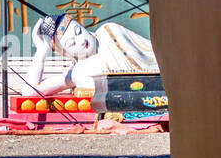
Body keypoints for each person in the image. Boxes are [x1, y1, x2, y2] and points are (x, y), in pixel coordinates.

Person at [23, 13, 158, 97]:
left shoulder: (109, 31)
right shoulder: (76, 72)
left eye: (78, 31)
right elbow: (30, 92)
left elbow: (149, 51)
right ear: (64, 53)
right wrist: (41, 51)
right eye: (71, 43)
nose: (81, 40)